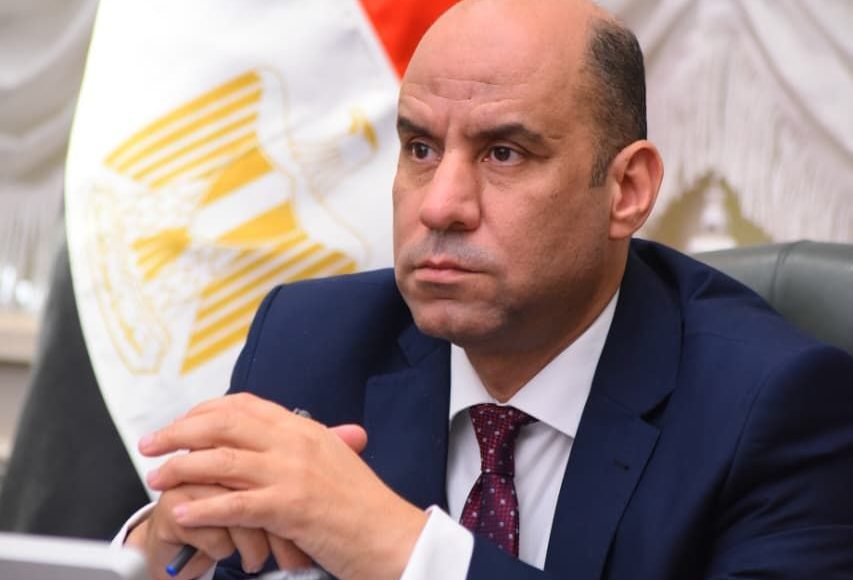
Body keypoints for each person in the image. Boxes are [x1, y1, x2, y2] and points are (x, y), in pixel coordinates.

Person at [119, 0, 853, 578]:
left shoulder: (773, 407)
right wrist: (157, 554)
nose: (440, 205)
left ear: (626, 189)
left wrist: (395, 545)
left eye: (503, 153)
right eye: (420, 148)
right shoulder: (307, 341)